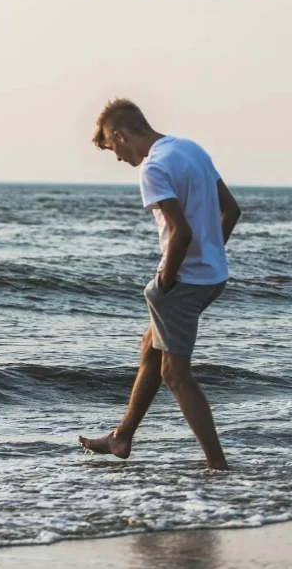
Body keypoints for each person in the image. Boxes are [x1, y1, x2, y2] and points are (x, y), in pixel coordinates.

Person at [78, 98, 241, 470]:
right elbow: (231, 210)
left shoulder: (153, 168)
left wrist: (168, 280)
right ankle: (121, 437)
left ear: (119, 135)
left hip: (183, 280)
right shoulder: (190, 149)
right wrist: (211, 254)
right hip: (211, 276)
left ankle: (218, 466)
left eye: (112, 147)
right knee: (150, 348)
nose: (117, 158)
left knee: (175, 374)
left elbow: (181, 233)